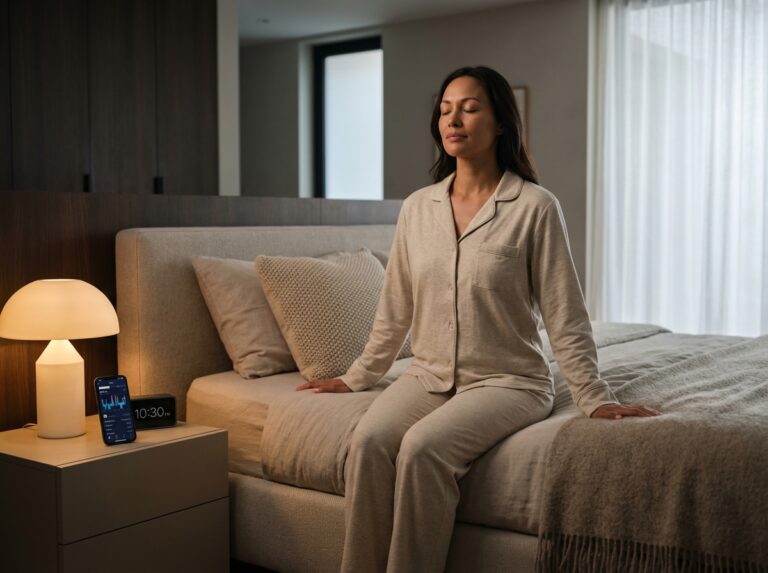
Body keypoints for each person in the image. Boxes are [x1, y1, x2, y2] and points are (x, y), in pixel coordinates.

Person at [297, 65, 661, 573]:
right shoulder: (417, 209)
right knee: (368, 442)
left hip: (509, 380)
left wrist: (594, 398)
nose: (454, 119)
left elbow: (565, 312)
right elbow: (395, 306)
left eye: (470, 107)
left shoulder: (535, 206)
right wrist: (357, 377)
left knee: (423, 450)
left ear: (501, 123)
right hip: (427, 375)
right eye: (445, 109)